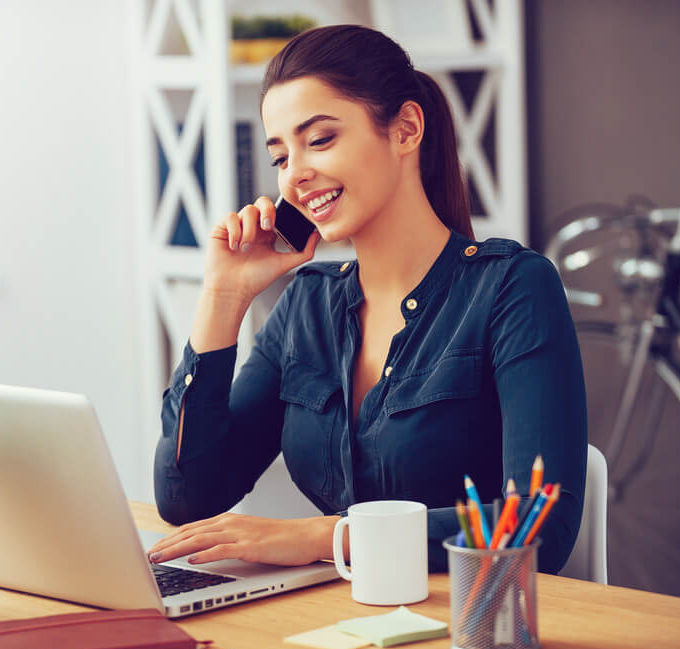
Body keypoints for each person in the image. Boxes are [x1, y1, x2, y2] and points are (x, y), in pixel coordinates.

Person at [148, 24, 586, 573]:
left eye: (320, 140)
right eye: (281, 156)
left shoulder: (513, 289)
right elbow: (188, 498)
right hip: (343, 622)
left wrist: (328, 538)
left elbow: (540, 525)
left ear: (405, 129)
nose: (296, 177)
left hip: (470, 627)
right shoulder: (306, 308)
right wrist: (222, 296)